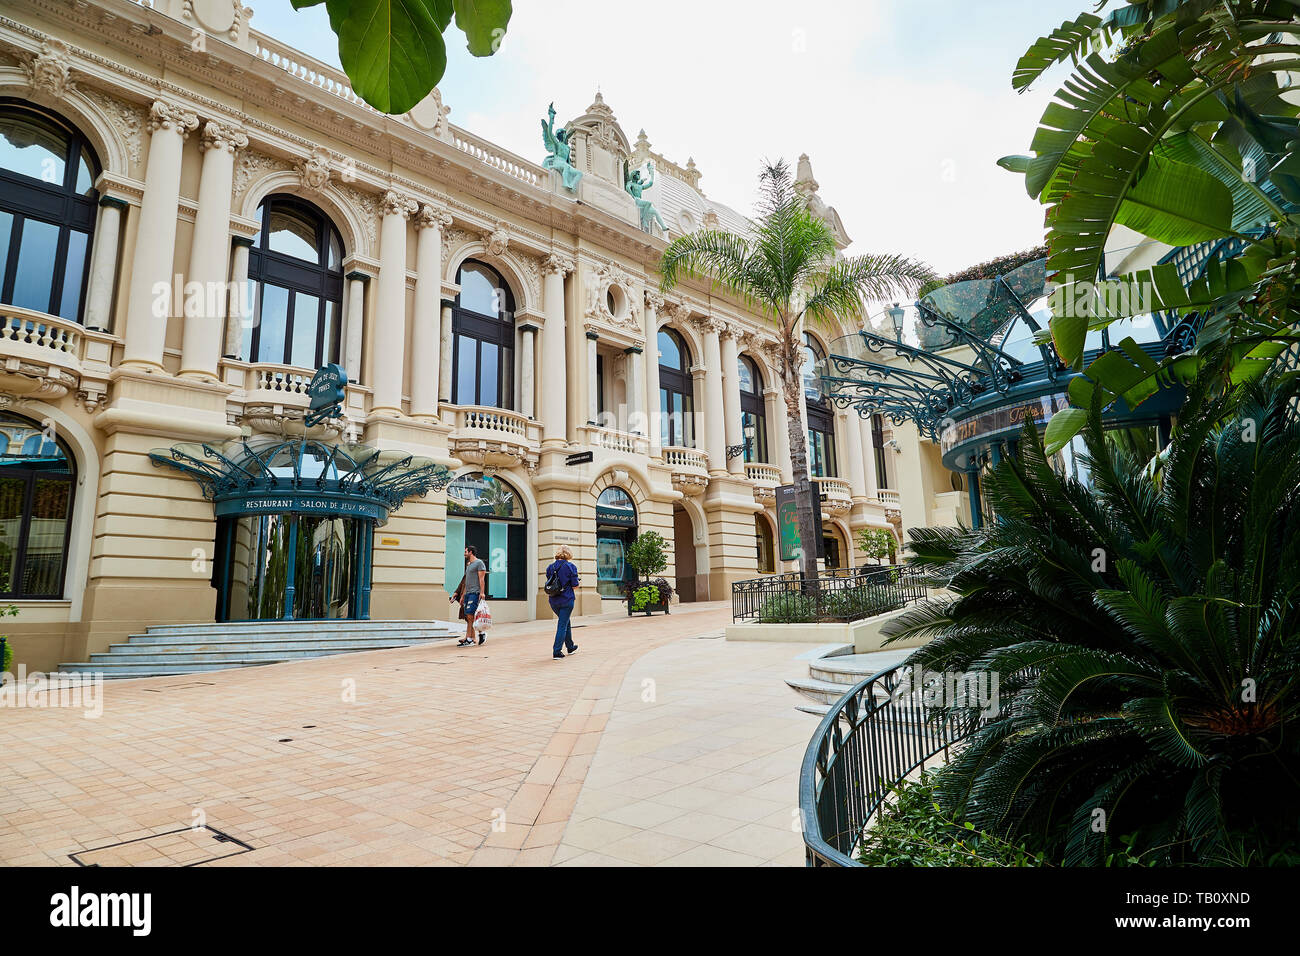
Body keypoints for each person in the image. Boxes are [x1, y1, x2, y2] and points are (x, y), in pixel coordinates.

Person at [545, 545, 580, 660]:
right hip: (567, 599)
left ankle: (570, 646)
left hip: (553, 601)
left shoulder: (550, 567)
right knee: (562, 624)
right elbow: (575, 585)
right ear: (568, 554)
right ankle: (557, 651)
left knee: (565, 622)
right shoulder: (570, 567)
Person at [449, 545, 488, 646]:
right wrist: (462, 595)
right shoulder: (469, 565)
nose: (464, 553)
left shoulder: (479, 563)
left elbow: (481, 579)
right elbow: (466, 581)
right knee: (468, 616)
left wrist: (482, 592)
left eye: (466, 551)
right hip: (468, 593)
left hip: (475, 593)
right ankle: (478, 634)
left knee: (470, 615)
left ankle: (471, 639)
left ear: (471, 552)